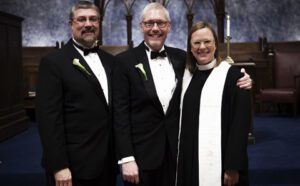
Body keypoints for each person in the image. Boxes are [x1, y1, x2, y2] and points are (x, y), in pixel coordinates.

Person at [113, 3, 251, 186]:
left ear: (169, 27)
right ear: (141, 26)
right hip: (142, 158)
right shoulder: (123, 62)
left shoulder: (182, 59)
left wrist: (245, 79)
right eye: (149, 23)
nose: (155, 28)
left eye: (161, 23)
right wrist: (127, 158)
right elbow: (120, 114)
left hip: (178, 156)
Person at [36, 1, 116, 186]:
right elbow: (48, 119)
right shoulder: (53, 63)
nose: (88, 24)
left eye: (93, 19)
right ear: (71, 24)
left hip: (106, 162)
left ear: (99, 23)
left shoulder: (110, 61)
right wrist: (59, 166)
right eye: (82, 19)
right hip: (72, 165)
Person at [176, 21, 250, 186]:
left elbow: (240, 126)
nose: (202, 47)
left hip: (222, 163)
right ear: (190, 47)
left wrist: (233, 166)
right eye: (196, 43)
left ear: (216, 44)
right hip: (189, 162)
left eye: (207, 41)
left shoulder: (234, 78)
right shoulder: (186, 76)